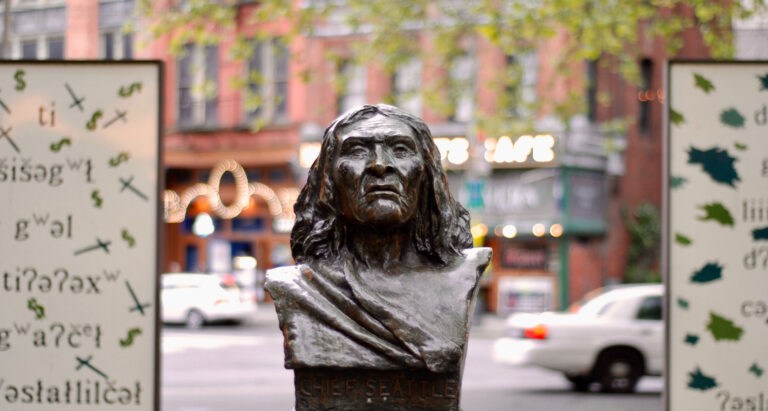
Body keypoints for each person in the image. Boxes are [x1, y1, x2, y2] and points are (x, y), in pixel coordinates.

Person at [266, 104, 491, 374]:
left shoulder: (461, 276)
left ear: (426, 174)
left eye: (401, 149)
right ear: (329, 179)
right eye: (357, 150)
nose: (380, 165)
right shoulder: (298, 288)